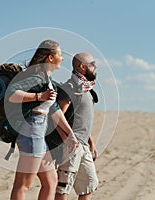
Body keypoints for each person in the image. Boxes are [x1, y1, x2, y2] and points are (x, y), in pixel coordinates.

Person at [6, 40, 78, 200]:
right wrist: (39, 96)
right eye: (59, 54)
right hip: (31, 133)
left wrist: (70, 134)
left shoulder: (46, 80)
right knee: (22, 185)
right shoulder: (36, 77)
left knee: (51, 181)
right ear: (50, 58)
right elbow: (11, 93)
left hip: (38, 134)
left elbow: (54, 110)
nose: (62, 58)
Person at [55, 52, 99, 200]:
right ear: (82, 67)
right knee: (63, 188)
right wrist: (66, 139)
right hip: (71, 146)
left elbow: (81, 120)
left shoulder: (86, 90)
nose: (96, 66)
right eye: (92, 64)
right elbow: (57, 116)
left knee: (89, 185)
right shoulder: (71, 87)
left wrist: (91, 143)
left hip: (83, 145)